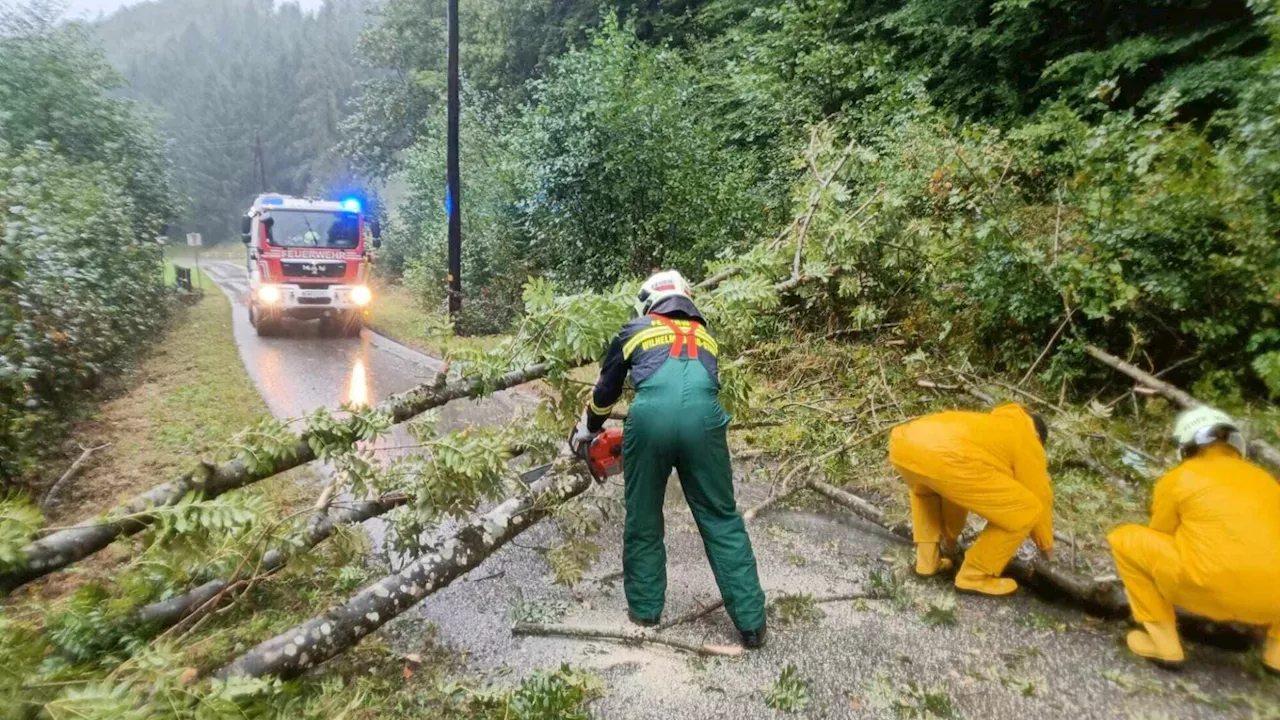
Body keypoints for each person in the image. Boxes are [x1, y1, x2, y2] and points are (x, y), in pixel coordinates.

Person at [569, 270, 768, 648]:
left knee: (644, 515)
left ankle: (645, 611)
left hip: (649, 422)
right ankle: (752, 625)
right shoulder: (705, 337)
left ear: (649, 301)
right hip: (705, 425)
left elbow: (606, 391)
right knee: (722, 518)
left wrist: (588, 429)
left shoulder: (635, 330)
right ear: (684, 298)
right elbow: (690, 386)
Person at [1107, 407, 1280, 671]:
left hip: (1204, 589)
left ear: (1185, 446)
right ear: (1235, 443)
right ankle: (1276, 656)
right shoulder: (1267, 481)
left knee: (1125, 538)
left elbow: (1160, 533)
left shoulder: (1178, 478)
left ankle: (1165, 645)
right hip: (1271, 601)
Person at [887, 404, 1054, 596]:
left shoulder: (989, 425)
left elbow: (954, 494)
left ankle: (927, 562)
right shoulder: (1027, 438)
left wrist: (951, 539)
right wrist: (1046, 548)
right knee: (1028, 509)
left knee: (926, 493)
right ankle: (974, 576)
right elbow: (1040, 495)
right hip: (944, 457)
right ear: (1039, 437)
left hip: (903, 443)